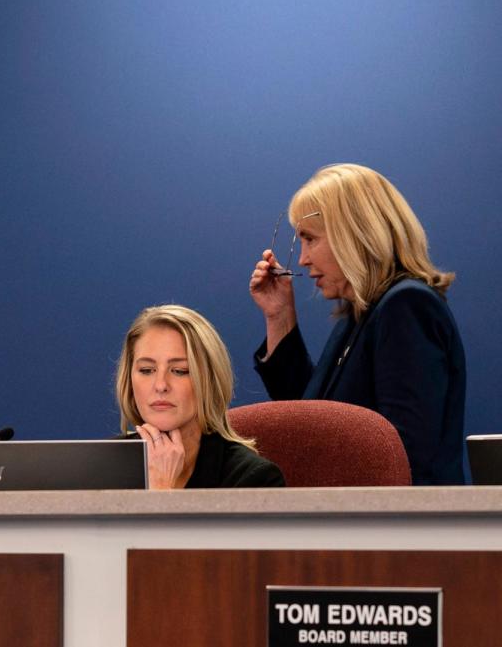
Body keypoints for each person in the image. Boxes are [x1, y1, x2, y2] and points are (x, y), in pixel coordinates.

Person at [249, 163, 465, 485]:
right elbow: (310, 427)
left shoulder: (405, 307)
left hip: (401, 530)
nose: (303, 259)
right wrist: (279, 316)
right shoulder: (360, 315)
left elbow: (401, 457)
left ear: (353, 234)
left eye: (310, 239)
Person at [116, 304, 285, 488]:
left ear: (209, 381)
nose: (161, 385)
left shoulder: (254, 478)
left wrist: (162, 489)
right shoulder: (99, 464)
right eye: (147, 370)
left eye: (180, 371)